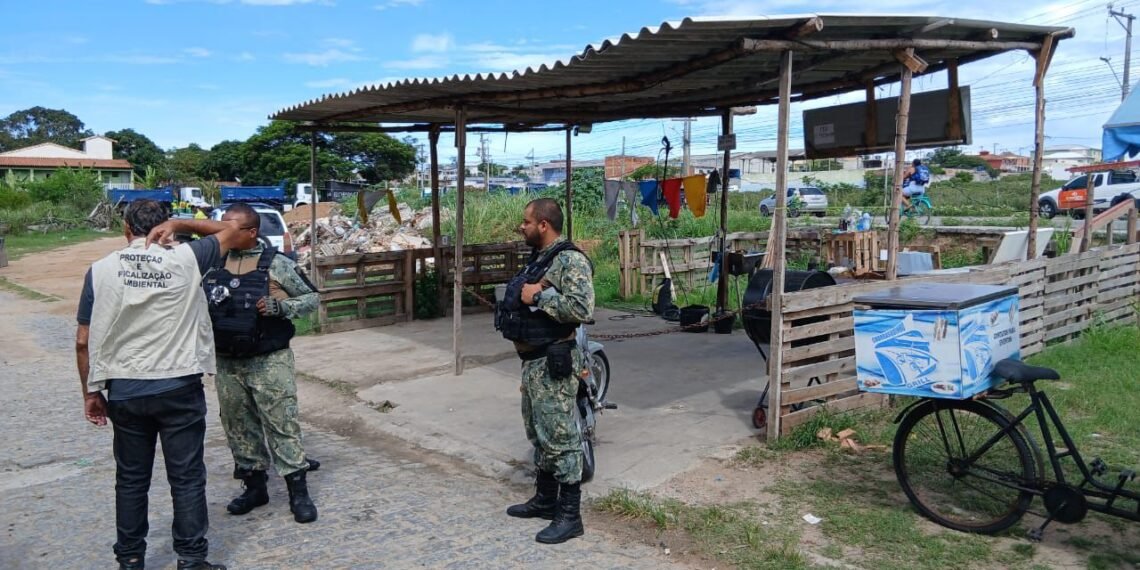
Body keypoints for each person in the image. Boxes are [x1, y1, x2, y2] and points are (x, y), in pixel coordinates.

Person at [76, 199, 243, 570]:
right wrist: (181, 224)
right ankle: (191, 559)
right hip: (178, 386)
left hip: (125, 389)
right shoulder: (189, 257)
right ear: (164, 226)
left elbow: (83, 340)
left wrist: (91, 391)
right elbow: (233, 230)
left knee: (132, 480)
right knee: (186, 478)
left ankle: (131, 558)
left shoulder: (100, 270)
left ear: (125, 228)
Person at [202, 202, 321, 524]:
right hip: (228, 362)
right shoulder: (212, 263)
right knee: (238, 426)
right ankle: (255, 488)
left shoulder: (277, 263)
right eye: (220, 225)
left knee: (282, 423)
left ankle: (298, 492)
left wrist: (280, 308)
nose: (221, 232)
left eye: (230, 227)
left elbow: (312, 298)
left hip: (269, 360)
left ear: (252, 232)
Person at [494, 198, 595, 544]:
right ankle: (545, 499)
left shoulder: (570, 260)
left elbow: (582, 307)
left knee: (562, 439)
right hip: (533, 363)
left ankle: (570, 516)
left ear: (543, 225)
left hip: (554, 361)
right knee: (539, 433)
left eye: (525, 222)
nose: (520, 227)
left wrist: (538, 298)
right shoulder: (539, 260)